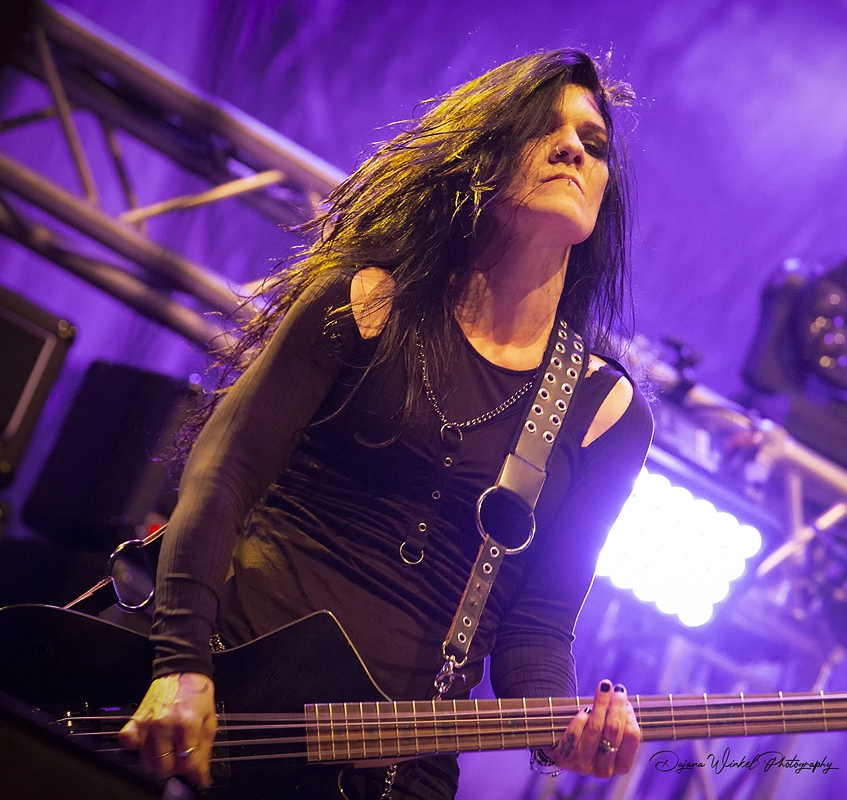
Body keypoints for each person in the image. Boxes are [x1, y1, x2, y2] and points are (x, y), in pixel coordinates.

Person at [118, 49, 653, 799]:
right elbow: (224, 473)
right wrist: (181, 665)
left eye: (594, 144)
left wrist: (566, 728)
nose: (573, 149)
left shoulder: (605, 411)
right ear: (483, 159)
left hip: (390, 770)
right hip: (222, 695)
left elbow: (537, 626)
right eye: (545, 128)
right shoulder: (367, 302)